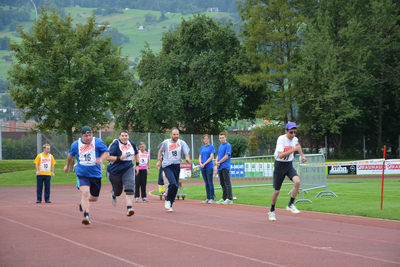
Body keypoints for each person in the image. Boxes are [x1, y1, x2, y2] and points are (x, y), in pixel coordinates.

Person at [64, 126, 109, 225]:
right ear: (81, 135)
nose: (88, 138)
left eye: (90, 135)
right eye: (86, 136)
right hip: (82, 173)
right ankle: (86, 216)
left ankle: (82, 203)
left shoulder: (97, 142)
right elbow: (70, 155)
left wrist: (101, 159)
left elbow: (106, 152)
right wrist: (67, 166)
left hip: (95, 174)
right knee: (85, 193)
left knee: (94, 198)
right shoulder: (76, 144)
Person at [268, 122, 307, 221]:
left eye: (294, 132)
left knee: (297, 182)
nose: (293, 134)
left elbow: (298, 145)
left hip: (289, 165)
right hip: (280, 165)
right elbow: (280, 155)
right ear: (286, 131)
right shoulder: (281, 139)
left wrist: (302, 155)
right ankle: (272, 210)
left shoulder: (295, 139)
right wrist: (294, 150)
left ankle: (290, 204)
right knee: (277, 191)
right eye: (291, 132)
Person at [155, 127, 190, 212]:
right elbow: (160, 151)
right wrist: (159, 160)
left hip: (176, 165)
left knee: (176, 186)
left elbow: (186, 153)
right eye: (174, 134)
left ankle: (170, 203)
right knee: (173, 183)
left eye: (177, 134)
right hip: (167, 166)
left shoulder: (182, 143)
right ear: (171, 134)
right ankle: (167, 200)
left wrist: (187, 158)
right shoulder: (166, 142)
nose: (176, 136)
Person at [106, 130, 139, 216]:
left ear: (128, 136)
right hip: (114, 171)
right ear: (119, 136)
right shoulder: (115, 145)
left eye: (126, 135)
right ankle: (113, 194)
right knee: (118, 192)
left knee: (130, 186)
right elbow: (107, 158)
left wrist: (137, 165)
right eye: (123, 136)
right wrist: (119, 158)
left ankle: (129, 208)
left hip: (128, 167)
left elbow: (136, 154)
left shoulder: (132, 143)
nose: (124, 137)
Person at [215, 132, 233, 204]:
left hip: (225, 166)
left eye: (222, 138)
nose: (221, 139)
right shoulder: (220, 146)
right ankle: (224, 197)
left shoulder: (228, 145)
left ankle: (229, 198)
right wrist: (216, 161)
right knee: (222, 183)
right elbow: (218, 155)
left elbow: (226, 156)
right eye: (220, 138)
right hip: (220, 167)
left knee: (227, 182)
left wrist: (219, 162)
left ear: (225, 137)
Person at [199, 134, 216, 204]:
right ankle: (208, 197)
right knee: (206, 183)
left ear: (209, 139)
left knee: (210, 182)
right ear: (203, 140)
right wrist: (200, 163)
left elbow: (211, 157)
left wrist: (204, 163)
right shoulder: (202, 148)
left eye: (207, 138)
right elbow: (200, 156)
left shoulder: (212, 147)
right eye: (204, 139)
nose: (206, 140)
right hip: (203, 167)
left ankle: (212, 197)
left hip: (208, 167)